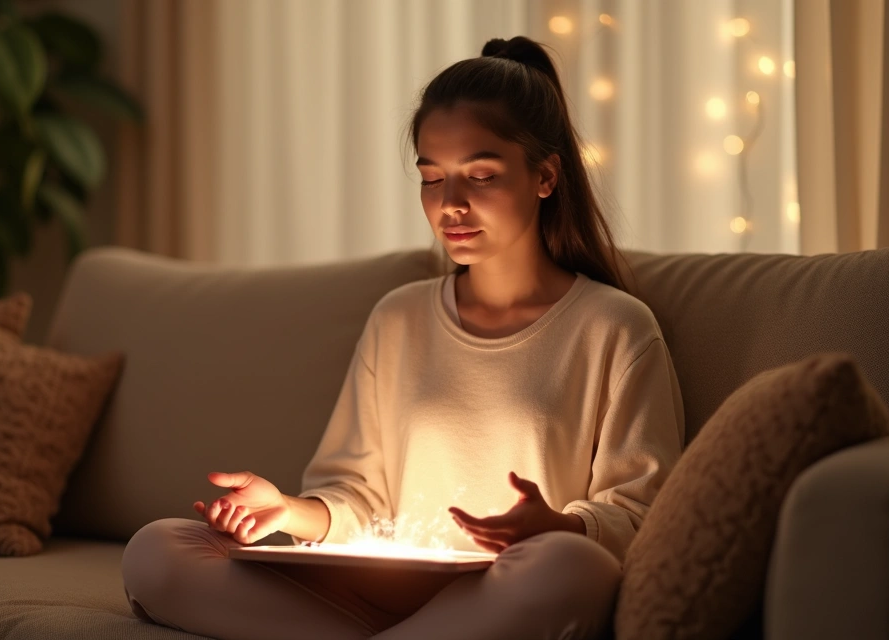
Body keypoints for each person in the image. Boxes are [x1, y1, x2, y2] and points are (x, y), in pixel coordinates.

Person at [122, 35, 685, 640]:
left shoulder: (615, 328)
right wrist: (287, 510)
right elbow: (358, 500)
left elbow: (642, 518)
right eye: (432, 178)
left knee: (571, 567)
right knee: (159, 549)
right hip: (377, 594)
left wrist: (559, 527)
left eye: (481, 176)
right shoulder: (398, 319)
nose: (451, 205)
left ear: (545, 176)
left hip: (505, 591)